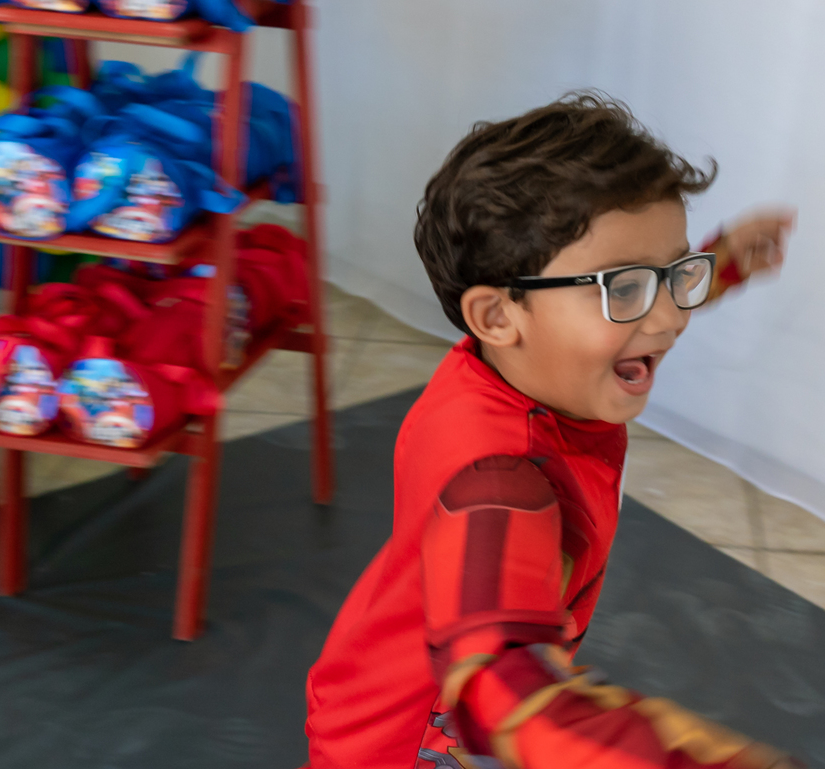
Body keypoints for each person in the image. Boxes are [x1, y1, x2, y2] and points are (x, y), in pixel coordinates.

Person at [305, 92, 797, 769]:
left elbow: (632, 300)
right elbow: (503, 696)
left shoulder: (495, 367)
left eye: (675, 274)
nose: (668, 319)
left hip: (389, 689)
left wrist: (719, 265)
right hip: (406, 746)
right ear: (497, 317)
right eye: (624, 289)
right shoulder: (501, 478)